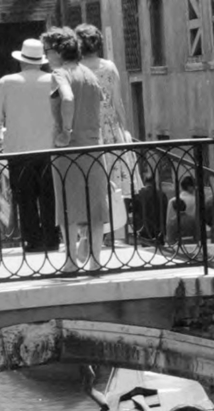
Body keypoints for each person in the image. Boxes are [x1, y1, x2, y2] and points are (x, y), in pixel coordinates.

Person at [44, 27, 109, 271]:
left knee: (68, 206)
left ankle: (71, 262)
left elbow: (68, 98)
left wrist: (66, 131)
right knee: (95, 206)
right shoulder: (90, 75)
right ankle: (95, 262)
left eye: (48, 51)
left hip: (68, 148)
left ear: (59, 51)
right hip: (93, 146)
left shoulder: (59, 74)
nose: (47, 56)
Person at [0, 37, 61, 253]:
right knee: (49, 196)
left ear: (21, 61)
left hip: (19, 150)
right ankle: (52, 239)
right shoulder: (54, 79)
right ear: (41, 61)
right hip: (49, 149)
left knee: (25, 198)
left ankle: (32, 240)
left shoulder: (6, 82)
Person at [75, 23, 131, 249]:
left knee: (88, 183)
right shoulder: (109, 67)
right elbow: (118, 103)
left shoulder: (75, 70)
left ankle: (88, 235)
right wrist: (125, 132)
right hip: (110, 130)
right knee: (114, 184)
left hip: (87, 131)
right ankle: (115, 235)